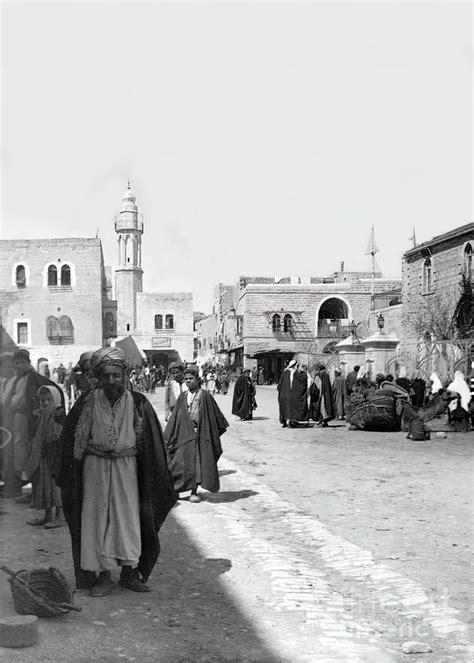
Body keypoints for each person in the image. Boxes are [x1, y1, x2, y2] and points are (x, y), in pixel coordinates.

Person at [56, 347, 177, 595]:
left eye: (116, 375)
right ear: (99, 377)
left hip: (128, 470)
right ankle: (102, 576)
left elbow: (153, 444)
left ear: (125, 375)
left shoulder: (139, 403)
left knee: (128, 520)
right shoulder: (86, 402)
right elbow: (70, 441)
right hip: (94, 469)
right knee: (96, 522)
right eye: (106, 375)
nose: (112, 380)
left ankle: (130, 573)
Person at [3, 350, 64, 501]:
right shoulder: (15, 379)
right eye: (17, 362)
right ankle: (26, 488)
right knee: (18, 453)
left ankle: (35, 493)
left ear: (29, 363)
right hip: (16, 419)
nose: (19, 365)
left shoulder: (35, 378)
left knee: (31, 453)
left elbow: (53, 391)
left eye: (23, 362)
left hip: (29, 419)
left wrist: (49, 411)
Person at [164, 364, 228, 503]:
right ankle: (176, 490)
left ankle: (194, 491)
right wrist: (168, 433)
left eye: (191, 378)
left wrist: (208, 432)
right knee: (179, 462)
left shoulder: (205, 395)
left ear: (197, 379)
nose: (188, 381)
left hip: (199, 434)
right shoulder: (183, 396)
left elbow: (214, 416)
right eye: (186, 379)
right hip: (184, 434)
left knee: (197, 464)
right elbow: (175, 416)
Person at [25, 385, 65, 528]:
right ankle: (47, 515)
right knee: (44, 485)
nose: (45, 403)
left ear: (56, 399)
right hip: (43, 457)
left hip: (53, 458)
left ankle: (59, 517)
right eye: (42, 401)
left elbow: (59, 437)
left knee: (55, 488)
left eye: (49, 400)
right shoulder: (40, 415)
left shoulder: (59, 416)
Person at [278, 360, 308, 428]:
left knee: (285, 409)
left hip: (283, 395)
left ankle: (285, 422)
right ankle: (293, 422)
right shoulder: (296, 373)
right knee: (292, 409)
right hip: (292, 395)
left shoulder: (284, 373)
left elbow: (279, 386)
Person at [311, 362, 335, 427]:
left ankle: (321, 422)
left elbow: (316, 387)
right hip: (327, 395)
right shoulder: (326, 375)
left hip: (321, 396)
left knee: (322, 409)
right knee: (326, 408)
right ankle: (325, 422)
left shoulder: (319, 376)